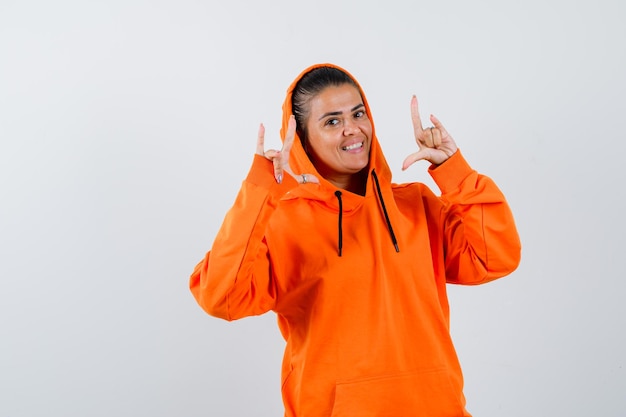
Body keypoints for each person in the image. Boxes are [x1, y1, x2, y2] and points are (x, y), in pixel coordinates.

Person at [189, 63, 521, 417]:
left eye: (358, 113)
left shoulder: (416, 204)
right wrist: (261, 191)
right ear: (301, 139)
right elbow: (220, 296)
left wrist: (455, 171)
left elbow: (495, 257)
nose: (352, 129)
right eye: (332, 121)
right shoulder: (281, 221)